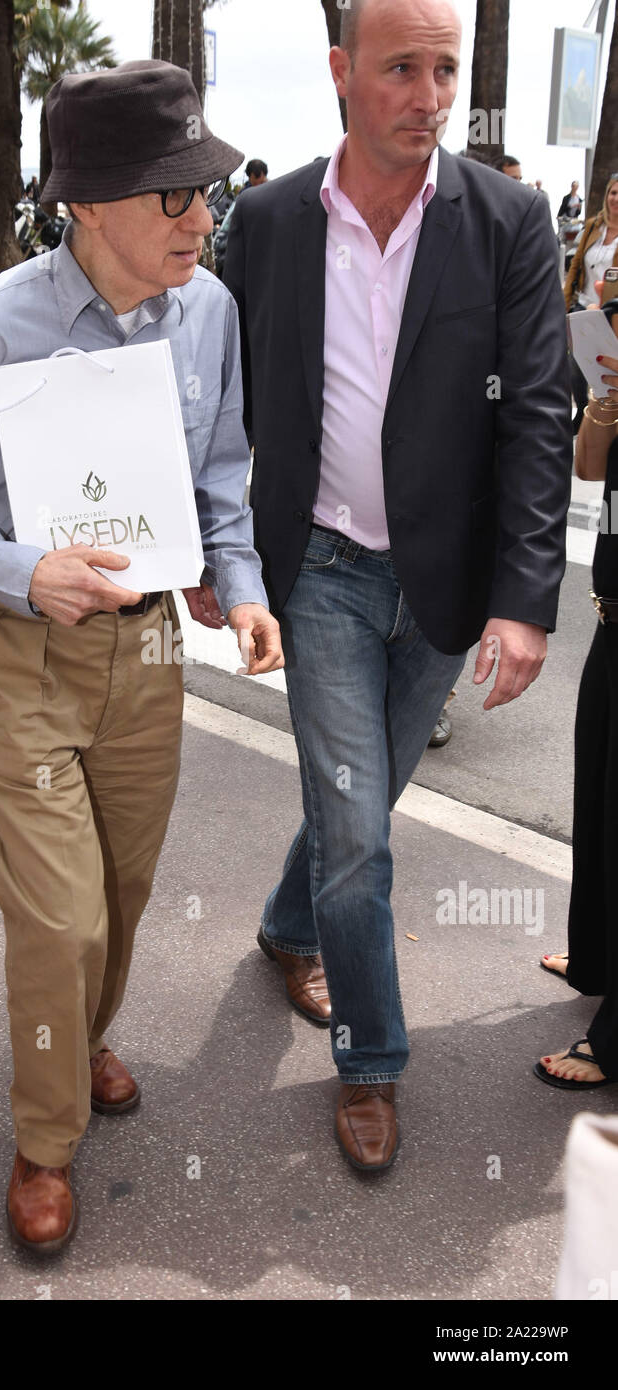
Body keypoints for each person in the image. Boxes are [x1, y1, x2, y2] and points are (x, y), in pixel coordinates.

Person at [0, 59, 283, 1254]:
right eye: (175, 198)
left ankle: (85, 1031)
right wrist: (23, 568)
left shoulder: (209, 312)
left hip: (148, 653)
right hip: (16, 656)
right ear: (91, 204)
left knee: (118, 896)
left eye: (204, 193)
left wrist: (241, 588)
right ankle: (45, 1137)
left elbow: (220, 481)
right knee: (59, 917)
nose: (202, 219)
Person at [224, 0, 571, 1172]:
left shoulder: (510, 220)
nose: (428, 96)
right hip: (316, 568)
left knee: (350, 808)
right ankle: (372, 1063)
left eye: (445, 70)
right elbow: (229, 407)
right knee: (364, 836)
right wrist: (221, 562)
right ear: (340, 73)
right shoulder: (267, 222)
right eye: (401, 70)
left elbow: (535, 413)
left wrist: (524, 598)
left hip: (445, 585)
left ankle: (284, 923)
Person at [536, 291, 618, 1091]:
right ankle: (596, 954)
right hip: (610, 613)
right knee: (596, 794)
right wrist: (607, 400)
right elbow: (590, 468)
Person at [564, 174, 618, 434]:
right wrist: (565, 300)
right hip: (583, 305)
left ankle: (604, 416)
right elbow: (575, 265)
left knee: (603, 366)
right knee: (575, 365)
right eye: (613, 193)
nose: (616, 199)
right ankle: (582, 412)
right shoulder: (594, 225)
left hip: (611, 311)